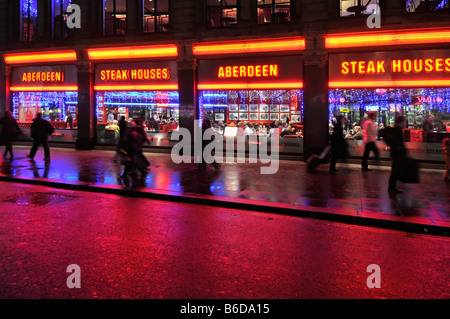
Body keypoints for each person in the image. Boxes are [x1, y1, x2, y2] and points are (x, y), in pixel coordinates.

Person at [388, 115, 408, 194]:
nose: (405, 123)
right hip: (397, 153)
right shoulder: (398, 130)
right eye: (404, 121)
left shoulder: (395, 128)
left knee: (395, 171)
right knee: (395, 171)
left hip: (395, 152)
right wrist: (403, 151)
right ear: (401, 122)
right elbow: (399, 143)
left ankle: (392, 187)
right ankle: (391, 188)